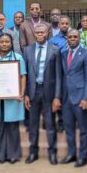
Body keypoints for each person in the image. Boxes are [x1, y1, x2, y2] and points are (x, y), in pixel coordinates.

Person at [23, 24, 61, 165]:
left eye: (42, 32)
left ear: (46, 34)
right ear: (34, 33)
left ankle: (52, 153)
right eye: (37, 32)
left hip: (49, 93)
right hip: (33, 93)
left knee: (50, 124)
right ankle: (33, 152)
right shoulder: (27, 50)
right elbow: (25, 74)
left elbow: (59, 76)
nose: (40, 34)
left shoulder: (55, 50)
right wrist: (25, 94)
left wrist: (57, 97)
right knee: (33, 126)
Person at [0, 33, 26, 164]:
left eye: (7, 42)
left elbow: (22, 77)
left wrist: (21, 92)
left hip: (14, 98)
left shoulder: (18, 57)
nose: (4, 44)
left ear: (11, 43)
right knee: (1, 127)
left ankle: (14, 155)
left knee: (13, 128)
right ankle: (1, 155)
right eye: (2, 42)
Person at [60, 28, 87, 167]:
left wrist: (86, 98)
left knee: (83, 129)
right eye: (70, 37)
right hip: (66, 98)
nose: (72, 39)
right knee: (69, 128)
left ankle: (83, 157)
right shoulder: (63, 54)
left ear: (79, 38)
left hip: (80, 98)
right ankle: (72, 154)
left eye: (75, 37)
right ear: (66, 39)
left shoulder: (86, 54)